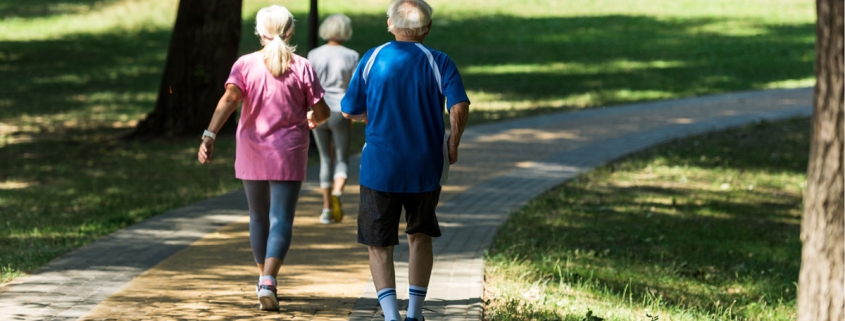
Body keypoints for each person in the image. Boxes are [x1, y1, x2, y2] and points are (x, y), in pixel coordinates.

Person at [340, 1, 469, 320]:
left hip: (379, 169)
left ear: (389, 24)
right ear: (427, 29)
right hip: (425, 167)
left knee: (378, 244)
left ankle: (390, 316)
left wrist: (373, 114)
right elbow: (459, 106)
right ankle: (414, 313)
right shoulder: (439, 61)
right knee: (420, 237)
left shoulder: (372, 58)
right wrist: (453, 143)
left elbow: (349, 110)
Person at [197, 5, 330, 311]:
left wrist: (210, 134)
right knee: (281, 218)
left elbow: (230, 99)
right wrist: (314, 118)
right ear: (291, 31)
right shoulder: (301, 66)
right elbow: (322, 111)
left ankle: (264, 280)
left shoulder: (245, 64)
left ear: (259, 33)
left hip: (252, 149)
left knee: (258, 217)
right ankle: (268, 280)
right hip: (289, 152)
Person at [307, 13, 360, 224]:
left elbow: (308, 84)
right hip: (341, 111)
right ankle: (338, 192)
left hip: (319, 110)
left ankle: (327, 209)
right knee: (341, 158)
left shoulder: (313, 54)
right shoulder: (352, 55)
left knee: (325, 158)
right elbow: (355, 87)